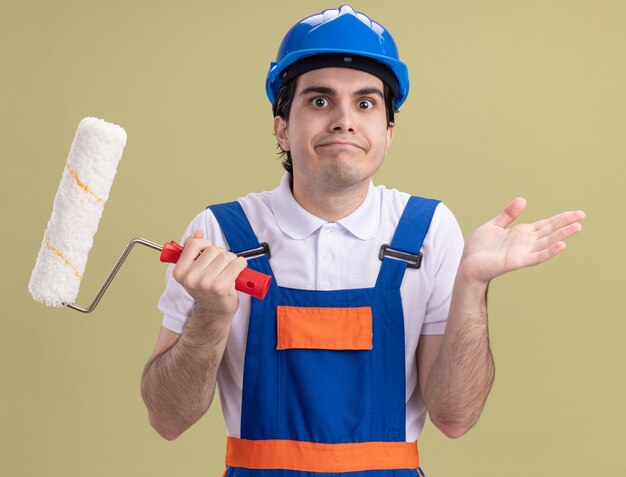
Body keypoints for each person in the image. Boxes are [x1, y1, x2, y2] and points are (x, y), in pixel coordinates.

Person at [141, 5, 584, 476]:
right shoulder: (218, 234)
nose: (344, 120)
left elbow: (455, 419)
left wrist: (472, 285)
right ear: (281, 128)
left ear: (388, 133)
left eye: (366, 103)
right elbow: (168, 420)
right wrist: (210, 316)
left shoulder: (428, 230)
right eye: (319, 100)